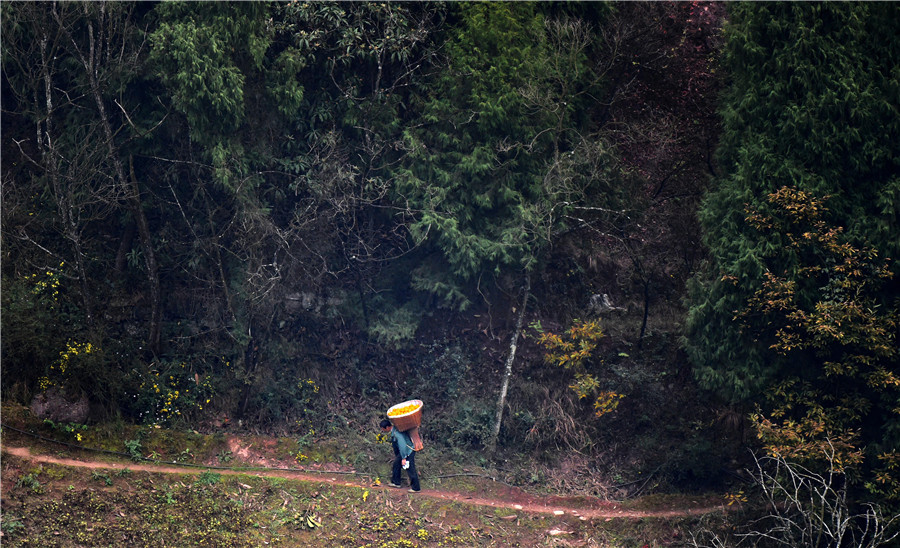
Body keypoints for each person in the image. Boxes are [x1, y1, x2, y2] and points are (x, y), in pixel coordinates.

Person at [380, 418, 420, 492]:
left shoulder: (397, 433)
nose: (383, 431)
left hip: (408, 451)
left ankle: (416, 488)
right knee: (396, 464)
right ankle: (396, 482)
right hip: (404, 452)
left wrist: (404, 458)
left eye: (383, 429)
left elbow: (403, 445)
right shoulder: (395, 430)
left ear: (387, 427)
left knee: (410, 468)